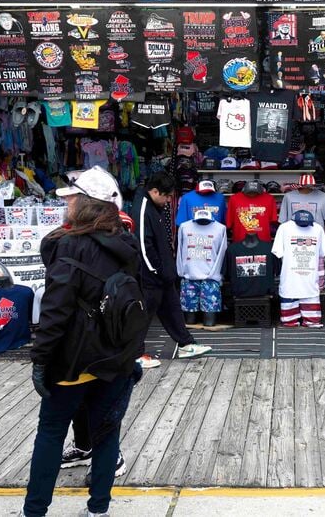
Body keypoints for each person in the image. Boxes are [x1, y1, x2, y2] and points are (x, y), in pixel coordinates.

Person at [24, 167, 144, 517]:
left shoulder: (69, 245)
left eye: (72, 198)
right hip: (116, 358)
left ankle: (34, 512)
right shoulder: (126, 243)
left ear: (87, 204)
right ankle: (99, 510)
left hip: (73, 361)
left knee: (50, 433)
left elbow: (54, 313)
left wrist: (40, 360)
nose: (67, 203)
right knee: (107, 435)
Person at [131, 172, 211, 364]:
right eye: (166, 196)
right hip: (150, 274)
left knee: (172, 308)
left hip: (162, 272)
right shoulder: (142, 207)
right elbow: (142, 244)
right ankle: (135, 355)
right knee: (144, 314)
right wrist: (155, 270)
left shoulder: (154, 205)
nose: (168, 201)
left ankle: (185, 344)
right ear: (155, 191)